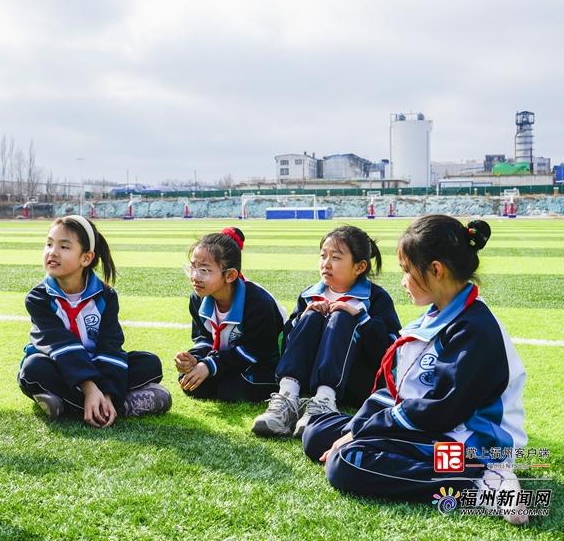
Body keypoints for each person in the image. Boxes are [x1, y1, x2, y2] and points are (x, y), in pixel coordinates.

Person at [302, 216, 528, 525]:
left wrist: (360, 432)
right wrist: (359, 425)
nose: (402, 280)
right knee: (317, 432)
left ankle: (480, 482)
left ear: (436, 270)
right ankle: (369, 444)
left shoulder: (475, 330)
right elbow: (398, 390)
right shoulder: (434, 318)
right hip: (430, 431)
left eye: (407, 270)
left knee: (345, 462)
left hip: (471, 446)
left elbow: (439, 409)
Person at [18, 215, 171, 425]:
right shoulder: (38, 298)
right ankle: (122, 405)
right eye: (49, 244)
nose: (52, 252)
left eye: (64, 247)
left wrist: (106, 391)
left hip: (97, 366)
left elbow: (110, 345)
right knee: (32, 369)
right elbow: (61, 345)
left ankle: (66, 403)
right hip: (57, 365)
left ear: (86, 258)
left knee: (150, 363)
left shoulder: (106, 296)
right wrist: (89, 388)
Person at [253, 225, 400, 438]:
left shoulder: (376, 298)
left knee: (342, 315)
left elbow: (391, 351)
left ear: (359, 267)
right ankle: (286, 400)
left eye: (336, 257)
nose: (326, 264)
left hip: (355, 382)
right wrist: (303, 317)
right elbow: (286, 345)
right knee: (311, 315)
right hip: (308, 382)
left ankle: (324, 403)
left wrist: (360, 317)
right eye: (323, 256)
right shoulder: (309, 295)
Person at [174, 227, 284, 402]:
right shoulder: (198, 298)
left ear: (230, 275)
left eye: (205, 270)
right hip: (229, 359)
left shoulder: (258, 302)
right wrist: (195, 359)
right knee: (190, 382)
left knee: (231, 389)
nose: (195, 276)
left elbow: (257, 350)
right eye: (193, 267)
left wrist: (210, 365)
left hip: (265, 361)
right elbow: (203, 337)